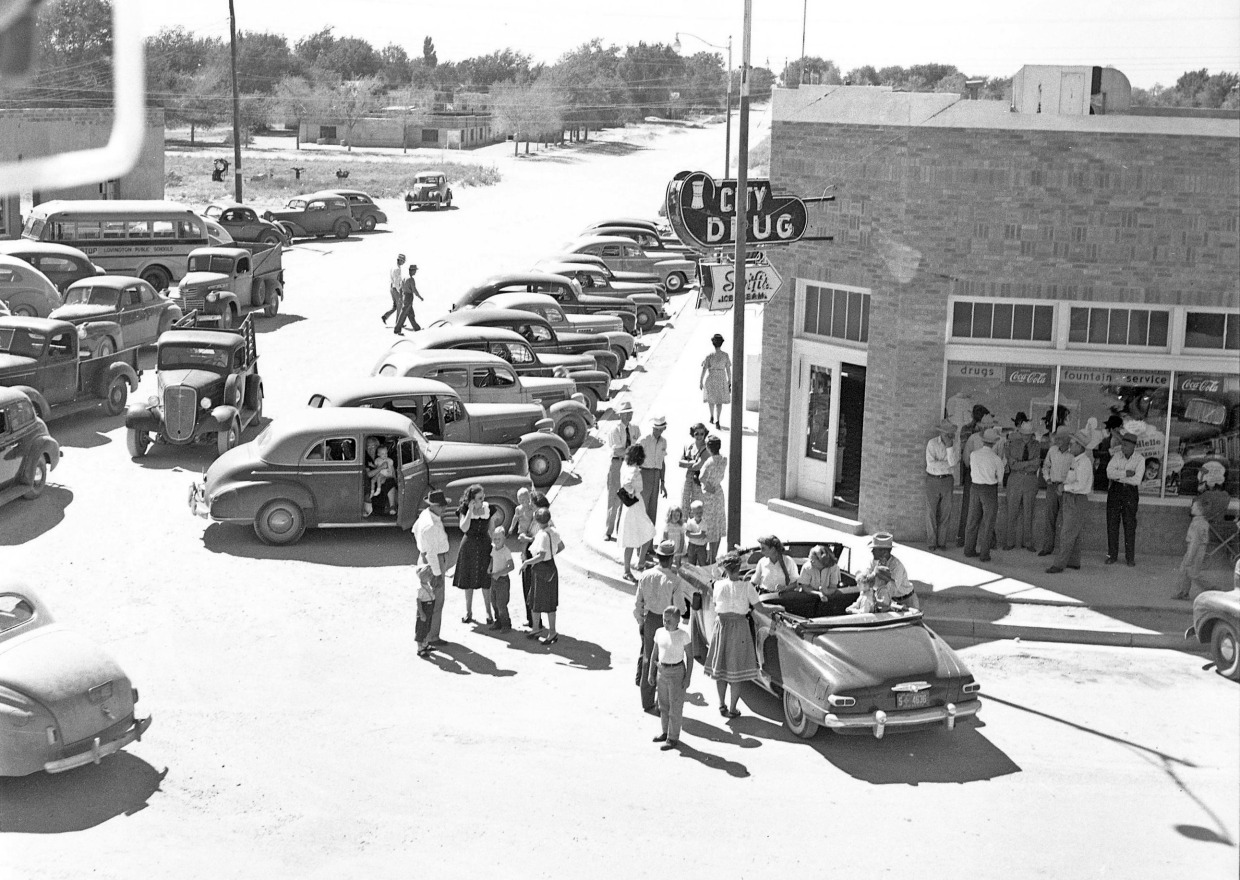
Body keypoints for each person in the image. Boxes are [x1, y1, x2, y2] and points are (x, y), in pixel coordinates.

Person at [634, 540, 691, 713]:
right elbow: (680, 607)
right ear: (672, 558)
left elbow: (638, 603)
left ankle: (646, 700)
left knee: (648, 657)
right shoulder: (674, 580)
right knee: (665, 660)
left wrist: (641, 621)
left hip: (650, 618)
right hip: (668, 621)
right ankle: (662, 703)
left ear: (658, 556)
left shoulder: (646, 575)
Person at [704, 552, 763, 718]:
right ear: (740, 568)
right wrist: (775, 609)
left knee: (721, 668)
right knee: (736, 670)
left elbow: (717, 603)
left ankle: (721, 704)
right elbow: (759, 608)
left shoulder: (718, 585)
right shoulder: (747, 587)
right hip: (739, 627)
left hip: (722, 626)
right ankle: (732, 708)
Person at [453, 485, 503, 625]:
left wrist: (496, 547)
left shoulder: (489, 509)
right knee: (468, 580)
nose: (483, 499)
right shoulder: (464, 509)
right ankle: (468, 612)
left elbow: (492, 529)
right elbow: (464, 528)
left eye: (483, 496)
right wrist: (470, 510)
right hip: (468, 545)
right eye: (480, 498)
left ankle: (488, 612)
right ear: (472, 499)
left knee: (485, 581)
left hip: (484, 545)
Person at [1046, 430, 1093, 573]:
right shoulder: (1076, 461)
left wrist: (1064, 487)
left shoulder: (1084, 463)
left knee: (1067, 533)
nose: (1070, 446)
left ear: (1079, 446)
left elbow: (1080, 485)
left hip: (1076, 498)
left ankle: (1059, 564)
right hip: (1070, 497)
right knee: (1074, 532)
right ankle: (1073, 560)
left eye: (1072, 444)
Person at [648, 605, 693, 750]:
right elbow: (654, 653)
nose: (665, 623)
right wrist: (651, 672)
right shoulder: (659, 632)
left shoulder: (683, 635)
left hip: (677, 671)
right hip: (662, 671)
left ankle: (673, 738)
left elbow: (690, 657)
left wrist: (687, 678)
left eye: (668, 621)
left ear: (677, 621)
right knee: (663, 705)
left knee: (675, 707)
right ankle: (665, 732)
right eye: (663, 620)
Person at [412, 489, 451, 646]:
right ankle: (431, 636)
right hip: (433, 562)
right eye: (442, 506)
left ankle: (425, 637)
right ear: (435, 506)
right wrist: (437, 575)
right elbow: (432, 554)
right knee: (435, 601)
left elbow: (414, 529)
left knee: (429, 601)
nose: (444, 508)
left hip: (426, 558)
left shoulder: (425, 515)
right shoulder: (431, 525)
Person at [519, 507, 560, 643]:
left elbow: (541, 556)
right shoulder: (553, 531)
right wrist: (551, 554)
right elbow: (561, 547)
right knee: (541, 600)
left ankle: (548, 631)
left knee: (540, 599)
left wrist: (527, 563)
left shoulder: (542, 535)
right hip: (551, 566)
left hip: (541, 568)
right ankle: (538, 628)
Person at [964, 427, 1004, 562]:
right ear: (994, 443)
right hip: (990, 489)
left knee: (972, 520)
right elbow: (1000, 478)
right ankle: (984, 553)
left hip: (975, 487)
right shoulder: (996, 459)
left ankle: (968, 549)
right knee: (988, 522)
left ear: (983, 441)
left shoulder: (974, 455)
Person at [1105, 432, 1143, 567]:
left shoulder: (1140, 459)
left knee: (1129, 525)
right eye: (1122, 445)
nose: (1123, 448)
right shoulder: (1116, 456)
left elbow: (1137, 479)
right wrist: (1125, 473)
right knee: (1112, 524)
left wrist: (1118, 475)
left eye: (1126, 445)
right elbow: (1109, 473)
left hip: (1130, 493)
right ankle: (1112, 555)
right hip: (1115, 490)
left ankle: (1130, 558)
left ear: (1133, 447)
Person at [619, 445, 656, 580]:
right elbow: (627, 484)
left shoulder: (625, 466)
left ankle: (638, 564)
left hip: (631, 506)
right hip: (635, 504)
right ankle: (628, 570)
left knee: (642, 532)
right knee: (645, 531)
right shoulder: (634, 470)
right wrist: (632, 493)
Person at [957, 405, 992, 546]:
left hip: (973, 471)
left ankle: (965, 539)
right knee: (973, 507)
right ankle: (964, 538)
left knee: (972, 507)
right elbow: (966, 454)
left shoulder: (969, 430)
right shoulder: (970, 432)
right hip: (974, 471)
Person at [603, 401, 638, 541]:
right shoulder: (615, 430)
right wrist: (632, 452)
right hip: (617, 465)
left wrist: (630, 453)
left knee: (629, 497)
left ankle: (621, 530)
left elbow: (637, 447)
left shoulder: (635, 429)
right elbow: (617, 450)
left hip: (630, 466)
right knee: (614, 498)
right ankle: (608, 531)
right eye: (626, 413)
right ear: (621, 415)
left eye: (631, 413)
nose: (629, 415)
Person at [1005, 418, 1041, 551]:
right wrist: (1028, 463)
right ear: (1020, 433)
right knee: (1012, 512)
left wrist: (1021, 465)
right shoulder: (1013, 444)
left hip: (1030, 480)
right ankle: (1009, 542)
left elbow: (1036, 465)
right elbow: (1011, 464)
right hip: (1015, 479)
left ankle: (1028, 542)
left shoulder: (1037, 445)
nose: (1026, 437)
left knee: (1029, 512)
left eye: (1029, 434)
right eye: (1024, 434)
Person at [925, 418, 960, 550]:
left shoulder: (955, 444)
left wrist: (949, 447)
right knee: (931, 512)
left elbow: (953, 463)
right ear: (941, 433)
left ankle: (942, 542)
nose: (949, 435)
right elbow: (931, 463)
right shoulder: (932, 443)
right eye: (947, 433)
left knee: (946, 512)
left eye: (951, 433)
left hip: (947, 480)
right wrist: (947, 465)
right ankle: (931, 542)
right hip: (932, 479)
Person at [637, 415, 669, 561]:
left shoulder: (663, 442)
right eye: (656, 428)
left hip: (656, 475)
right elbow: (633, 458)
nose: (658, 431)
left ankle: (648, 546)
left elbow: (662, 462)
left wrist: (663, 481)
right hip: (644, 473)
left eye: (660, 428)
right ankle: (639, 547)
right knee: (642, 512)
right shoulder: (644, 440)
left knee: (652, 511)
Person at [1038, 427, 1074, 557]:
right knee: (1050, 518)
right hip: (1052, 486)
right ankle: (1047, 547)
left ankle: (1064, 550)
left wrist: (1066, 485)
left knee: (1066, 521)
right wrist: (1047, 479)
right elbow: (1046, 466)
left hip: (1066, 489)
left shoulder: (1073, 453)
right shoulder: (1052, 450)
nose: (1057, 440)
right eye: (1057, 438)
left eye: (1060, 438)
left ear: (1067, 440)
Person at [862, 532, 918, 608]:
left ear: (884, 552)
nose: (872, 551)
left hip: (906, 600)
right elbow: (865, 577)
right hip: (890, 600)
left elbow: (893, 588)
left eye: (875, 549)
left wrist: (877, 574)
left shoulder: (896, 565)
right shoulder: (873, 562)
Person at [510, 487, 538, 628]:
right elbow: (515, 519)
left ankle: (535, 621)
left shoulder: (534, 511)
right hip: (524, 536)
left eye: (526, 499)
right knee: (527, 584)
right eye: (521, 499)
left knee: (530, 586)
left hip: (529, 540)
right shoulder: (519, 510)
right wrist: (511, 528)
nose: (524, 501)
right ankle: (532, 619)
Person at [796, 544, 850, 615]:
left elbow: (833, 587)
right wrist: (819, 593)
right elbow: (805, 587)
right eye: (810, 559)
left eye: (813, 560)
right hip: (809, 598)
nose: (811, 562)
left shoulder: (834, 567)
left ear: (823, 561)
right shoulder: (807, 567)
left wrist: (826, 592)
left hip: (829, 600)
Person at [1173, 499, 1210, 600]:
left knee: (1193, 573)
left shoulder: (1197, 524)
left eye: (1193, 506)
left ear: (1199, 510)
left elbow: (1195, 542)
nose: (1191, 508)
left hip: (1195, 549)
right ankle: (1183, 592)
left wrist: (1190, 557)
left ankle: (1213, 589)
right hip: (1198, 549)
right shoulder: (1201, 522)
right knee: (1186, 572)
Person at [698, 435, 728, 560]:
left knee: (709, 525)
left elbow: (701, 477)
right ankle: (713, 556)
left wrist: (706, 485)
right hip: (718, 492)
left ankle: (707, 557)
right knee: (718, 524)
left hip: (709, 493)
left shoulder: (709, 462)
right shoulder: (724, 459)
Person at [699, 333, 732, 429]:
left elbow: (704, 369)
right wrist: (729, 380)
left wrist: (700, 381)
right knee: (719, 401)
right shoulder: (725, 355)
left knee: (711, 399)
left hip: (711, 377)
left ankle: (712, 416)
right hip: (721, 378)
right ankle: (718, 420)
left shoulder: (710, 356)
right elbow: (728, 370)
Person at [679, 422, 710, 513]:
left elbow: (697, 467)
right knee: (685, 502)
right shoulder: (689, 447)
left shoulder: (706, 448)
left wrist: (687, 463)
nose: (699, 436)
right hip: (688, 477)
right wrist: (693, 462)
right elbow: (680, 463)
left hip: (699, 479)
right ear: (693, 434)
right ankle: (685, 525)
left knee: (697, 505)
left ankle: (695, 526)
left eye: (702, 434)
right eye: (697, 433)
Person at [489, 526, 515, 632]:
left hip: (502, 581)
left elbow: (511, 566)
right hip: (494, 579)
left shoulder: (506, 551)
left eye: (499, 539)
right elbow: (492, 559)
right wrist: (489, 568)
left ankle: (506, 624)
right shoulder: (494, 549)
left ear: (504, 538)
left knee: (501, 604)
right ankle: (498, 621)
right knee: (494, 602)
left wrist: (499, 574)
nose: (496, 541)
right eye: (494, 539)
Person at [393, 263, 424, 334]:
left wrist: (401, 297)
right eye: (415, 270)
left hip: (404, 296)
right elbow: (414, 290)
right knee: (403, 314)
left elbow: (401, 288)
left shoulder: (405, 277)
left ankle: (417, 328)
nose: (415, 272)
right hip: (408, 297)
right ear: (412, 271)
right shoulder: (411, 279)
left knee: (411, 314)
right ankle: (397, 329)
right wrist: (420, 297)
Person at [414, 560, 437, 657]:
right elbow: (418, 601)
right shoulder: (420, 588)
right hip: (424, 609)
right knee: (421, 629)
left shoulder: (427, 585)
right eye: (429, 575)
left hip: (429, 608)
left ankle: (425, 644)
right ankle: (420, 647)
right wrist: (421, 613)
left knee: (427, 627)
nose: (431, 576)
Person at [381, 253, 405, 325]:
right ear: (400, 260)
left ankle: (385, 316)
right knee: (400, 306)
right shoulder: (397, 269)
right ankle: (398, 323)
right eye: (403, 260)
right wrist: (399, 291)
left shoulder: (393, 267)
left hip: (391, 288)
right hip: (395, 288)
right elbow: (396, 281)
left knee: (395, 306)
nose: (404, 262)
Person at [684, 501, 708, 566]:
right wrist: (698, 535)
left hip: (701, 546)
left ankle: (703, 576)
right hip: (691, 545)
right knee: (691, 563)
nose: (699, 514)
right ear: (693, 513)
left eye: (700, 512)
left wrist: (692, 535)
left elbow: (701, 534)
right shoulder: (690, 522)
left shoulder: (704, 522)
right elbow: (687, 534)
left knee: (702, 563)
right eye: (697, 513)